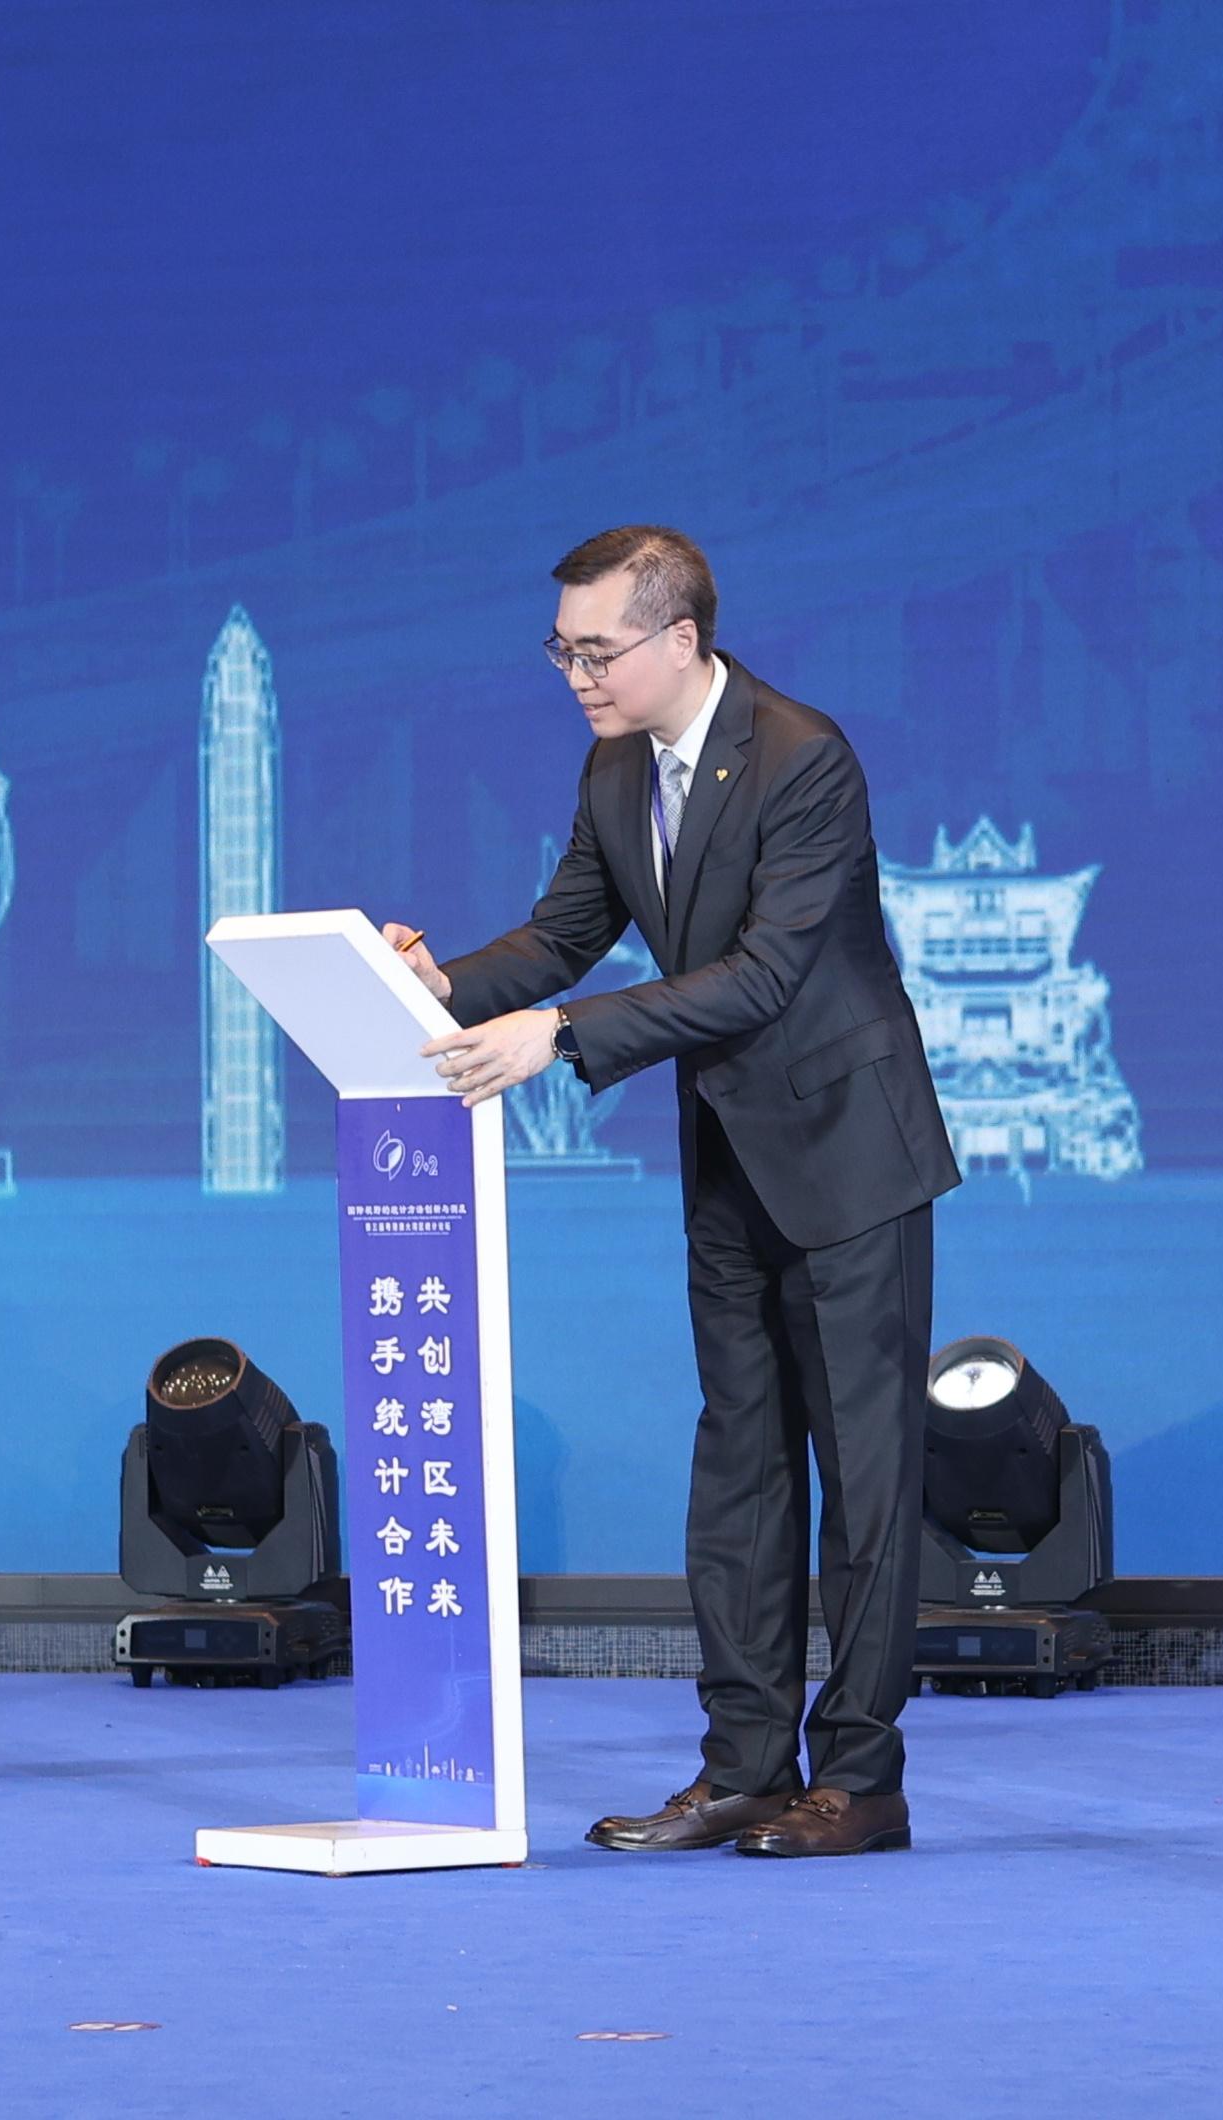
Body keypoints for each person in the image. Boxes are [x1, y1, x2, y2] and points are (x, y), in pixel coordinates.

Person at [386, 526, 959, 1858]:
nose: (576, 676)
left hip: (850, 1154)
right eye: (562, 651)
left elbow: (765, 975)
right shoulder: (609, 764)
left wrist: (565, 1037)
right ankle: (744, 1763)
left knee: (864, 1477)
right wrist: (436, 985)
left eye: (597, 651)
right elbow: (565, 928)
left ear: (681, 639)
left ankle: (859, 1781)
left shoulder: (802, 759)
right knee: (739, 1465)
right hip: (730, 1149)